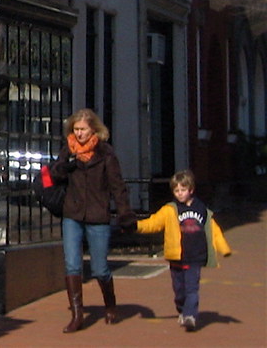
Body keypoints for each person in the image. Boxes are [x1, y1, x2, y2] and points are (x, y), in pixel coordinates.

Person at [51, 108, 136, 333]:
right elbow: (54, 176)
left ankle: (110, 304)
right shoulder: (67, 151)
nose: (79, 134)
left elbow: (118, 186)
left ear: (93, 130)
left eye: (83, 130)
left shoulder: (105, 153)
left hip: (98, 215)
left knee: (100, 268)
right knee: (72, 263)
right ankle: (77, 314)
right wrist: (65, 165)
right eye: (76, 129)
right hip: (72, 214)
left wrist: (125, 213)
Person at [136, 169, 231, 332]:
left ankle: (190, 316)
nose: (180, 194)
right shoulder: (170, 209)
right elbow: (154, 223)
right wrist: (135, 226)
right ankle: (182, 308)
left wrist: (224, 248)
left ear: (191, 190)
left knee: (192, 289)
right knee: (179, 291)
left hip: (195, 257)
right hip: (176, 257)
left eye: (183, 190)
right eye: (176, 190)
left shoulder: (201, 209)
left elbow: (213, 229)